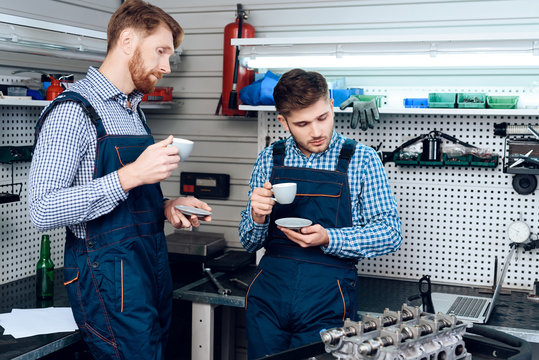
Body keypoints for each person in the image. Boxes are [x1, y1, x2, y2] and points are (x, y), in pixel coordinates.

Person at [28, 1, 211, 359]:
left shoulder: (132, 111)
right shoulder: (72, 111)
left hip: (150, 266)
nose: (166, 66)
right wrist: (128, 176)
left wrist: (166, 207)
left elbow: (129, 198)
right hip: (109, 277)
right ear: (127, 41)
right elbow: (41, 208)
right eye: (160, 51)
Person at [238, 68, 402, 359]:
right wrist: (257, 216)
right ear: (283, 122)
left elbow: (390, 232)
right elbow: (249, 243)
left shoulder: (361, 159)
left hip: (327, 299)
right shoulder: (269, 159)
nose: (316, 131)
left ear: (330, 105)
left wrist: (329, 238)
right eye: (302, 123)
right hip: (269, 296)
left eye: (322, 118)